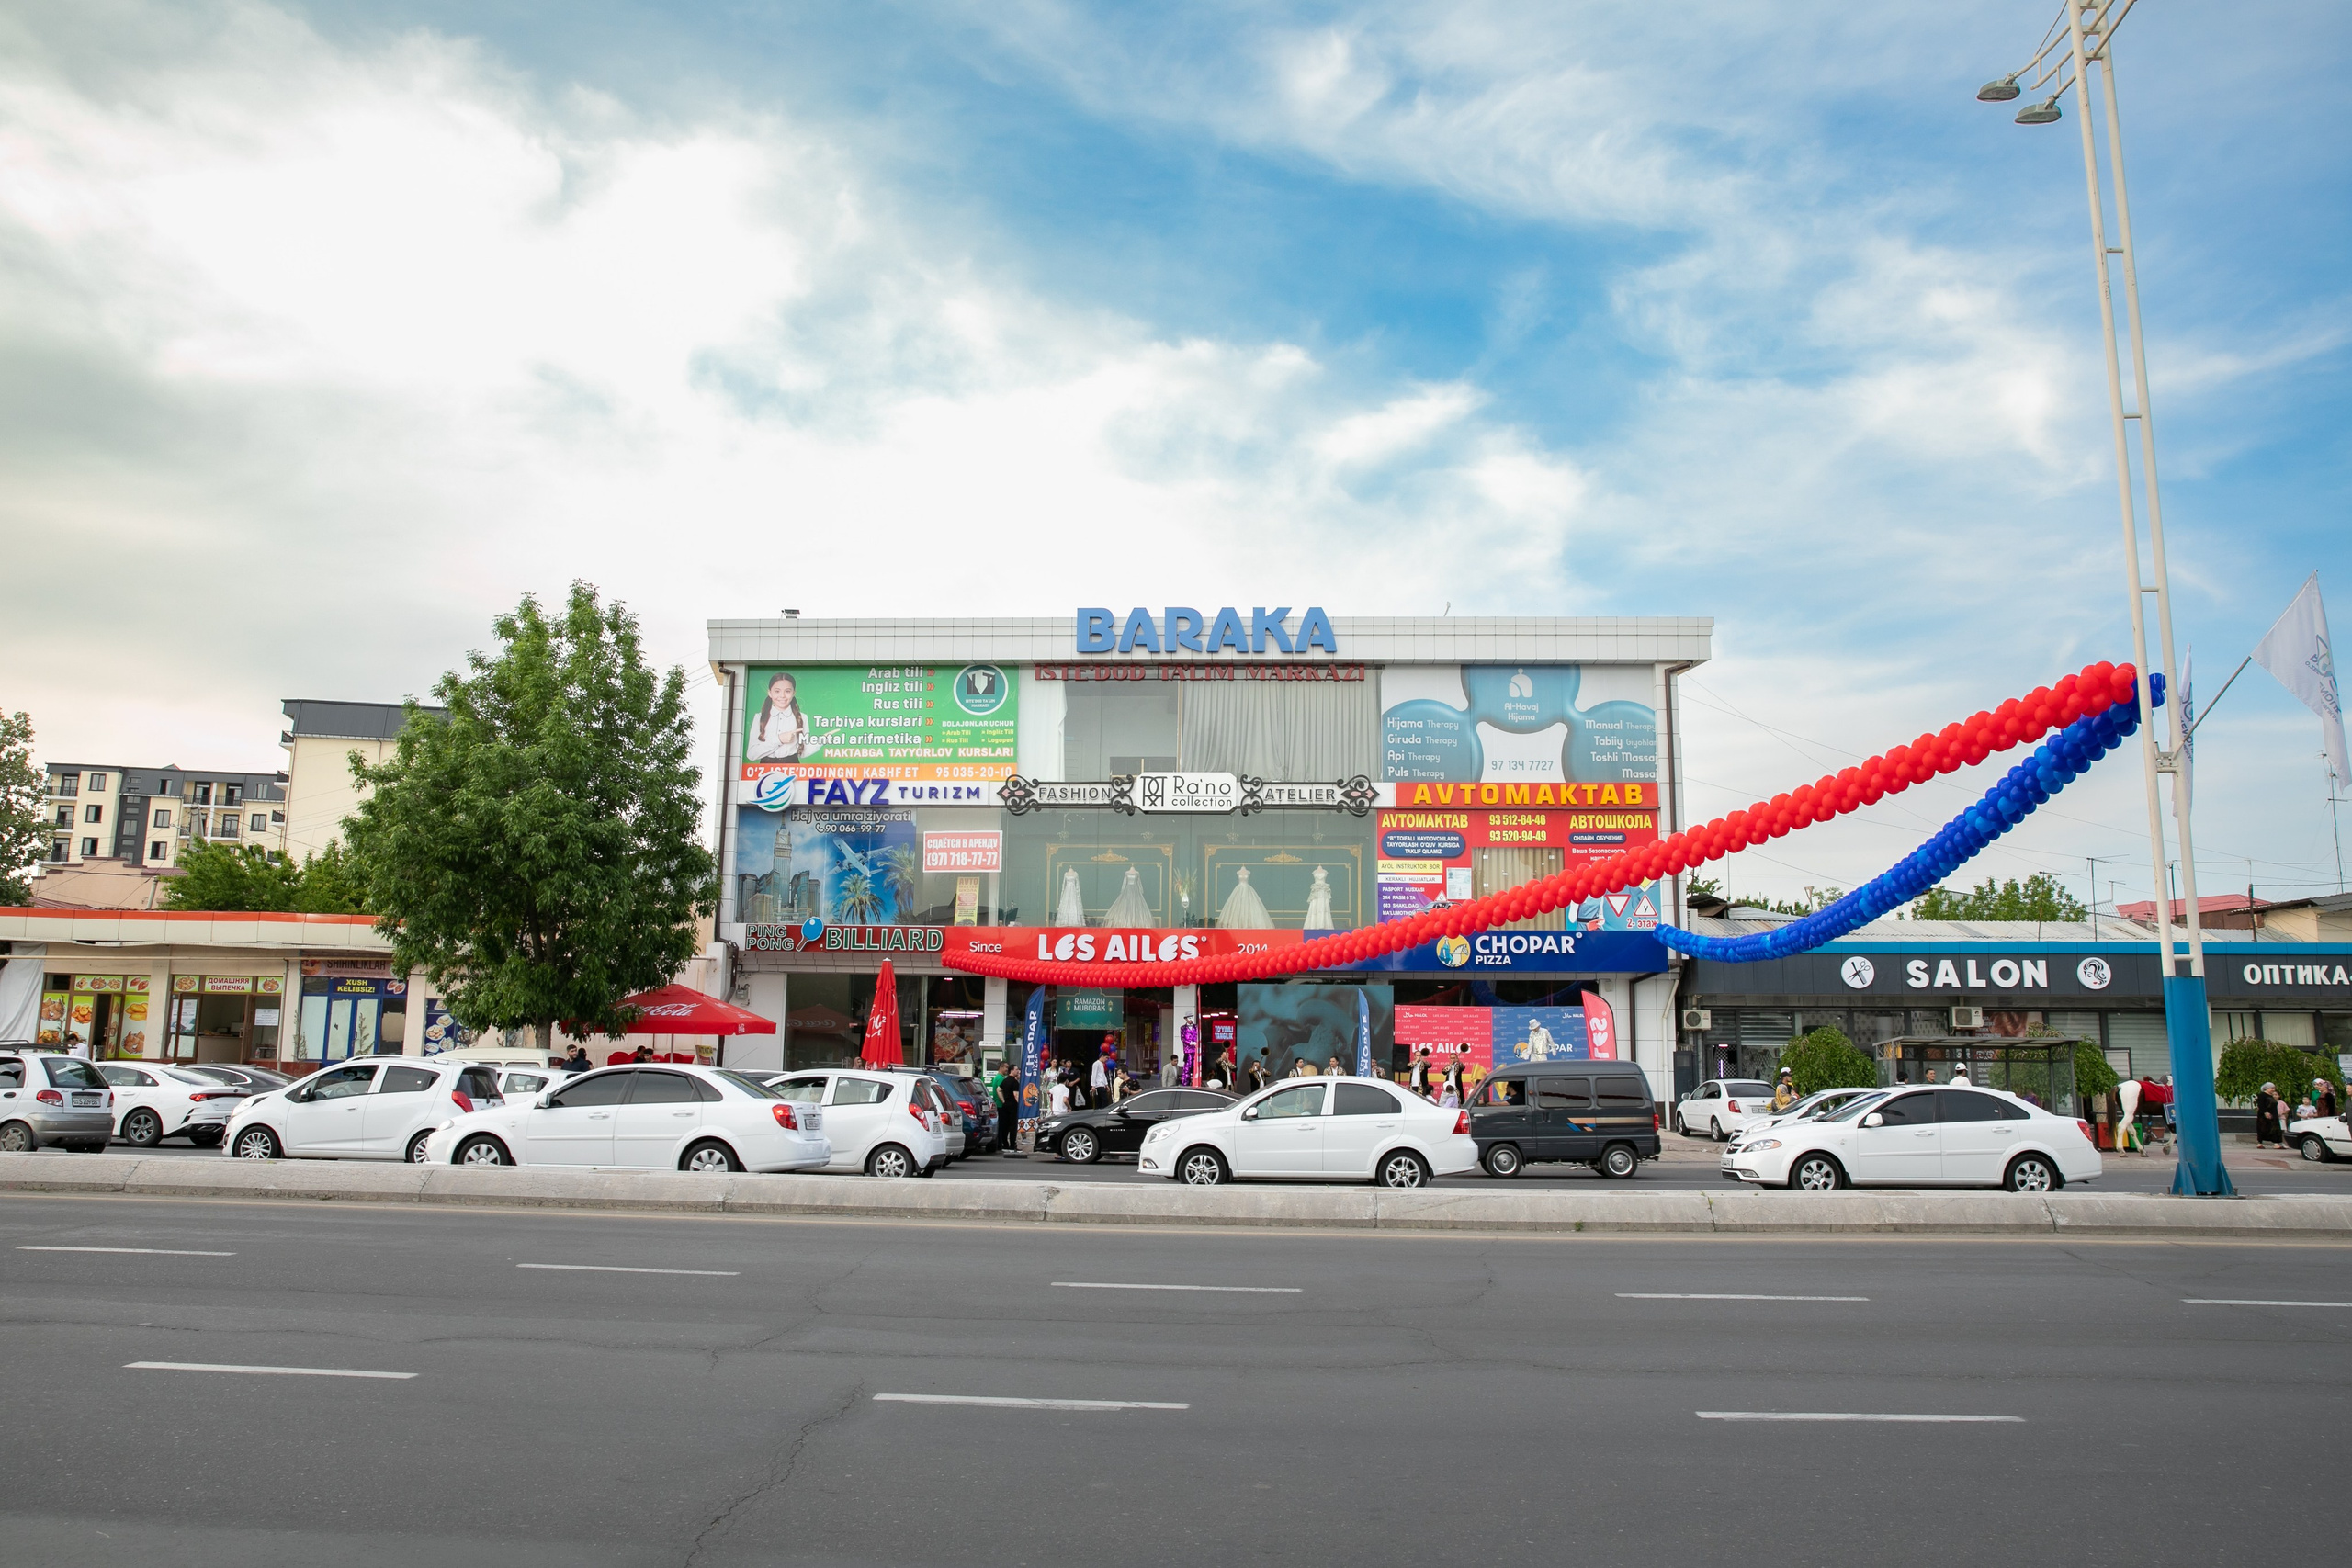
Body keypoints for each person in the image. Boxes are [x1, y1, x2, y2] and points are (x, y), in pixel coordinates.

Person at [748, 671, 808, 761]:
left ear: (793, 693)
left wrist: (821, 741)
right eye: (777, 691)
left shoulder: (802, 717)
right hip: (765, 768)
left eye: (787, 691)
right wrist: (779, 739)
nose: (782, 696)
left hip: (792, 766)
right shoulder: (759, 717)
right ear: (770, 693)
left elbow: (803, 752)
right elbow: (751, 754)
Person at [2254, 1081, 2284, 1149]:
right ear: (2267, 1088)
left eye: (2274, 1088)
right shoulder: (2262, 1095)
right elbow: (2261, 1105)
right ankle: (2260, 1143)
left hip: (2273, 1115)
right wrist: (2265, 1112)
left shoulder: (2271, 1096)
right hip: (2264, 1116)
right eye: (2272, 1088)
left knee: (2274, 1129)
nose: (2273, 1090)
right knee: (2263, 1128)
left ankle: (2276, 1143)